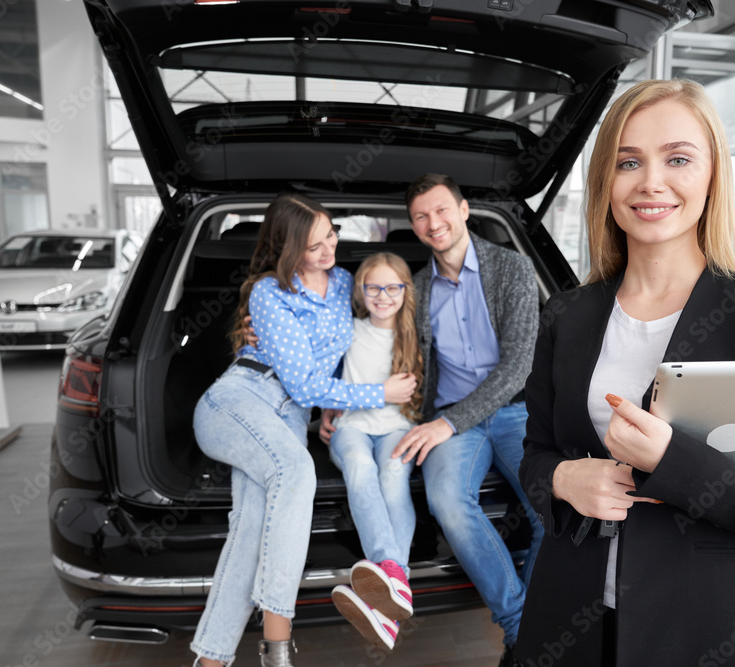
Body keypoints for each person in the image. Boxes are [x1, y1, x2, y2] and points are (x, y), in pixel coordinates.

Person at [514, 79, 735, 666]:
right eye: (628, 162)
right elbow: (536, 456)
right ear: (606, 183)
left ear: (713, 175)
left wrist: (673, 463)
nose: (651, 181)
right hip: (569, 617)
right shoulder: (567, 313)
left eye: (678, 159)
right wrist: (564, 481)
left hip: (704, 626)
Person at [322, 173, 544, 665]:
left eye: (441, 210)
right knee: (447, 501)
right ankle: (520, 628)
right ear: (414, 227)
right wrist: (333, 405)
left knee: (549, 507)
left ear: (464, 210)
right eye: (421, 216)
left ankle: (525, 630)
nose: (433, 222)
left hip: (513, 410)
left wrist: (449, 423)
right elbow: (365, 335)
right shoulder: (414, 288)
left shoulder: (513, 269)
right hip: (444, 419)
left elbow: (521, 363)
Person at [189, 194, 417, 667]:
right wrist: (378, 393)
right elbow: (305, 382)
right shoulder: (270, 293)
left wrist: (331, 409)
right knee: (297, 472)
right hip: (242, 398)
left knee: (250, 531)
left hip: (293, 416)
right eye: (313, 246)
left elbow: (386, 302)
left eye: (330, 234)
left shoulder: (342, 284)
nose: (328, 249)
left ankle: (209, 661)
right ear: (288, 249)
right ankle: (278, 648)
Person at [324, 252, 424, 651]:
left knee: (394, 474)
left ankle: (385, 607)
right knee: (360, 466)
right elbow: (319, 374)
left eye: (392, 287)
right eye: (373, 287)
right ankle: (394, 574)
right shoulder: (346, 329)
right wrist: (326, 413)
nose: (383, 296)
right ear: (360, 291)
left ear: (405, 290)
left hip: (398, 427)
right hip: (351, 428)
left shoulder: (416, 333)